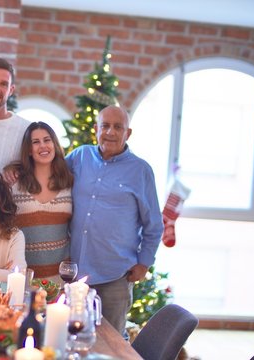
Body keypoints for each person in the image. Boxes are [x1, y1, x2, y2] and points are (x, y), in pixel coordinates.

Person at [65, 105, 163, 337]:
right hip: (75, 274)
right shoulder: (80, 156)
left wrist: (144, 263)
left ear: (128, 133)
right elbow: (49, 173)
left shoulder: (141, 171)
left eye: (117, 127)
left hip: (115, 277)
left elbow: (154, 224)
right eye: (105, 126)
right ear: (96, 129)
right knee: (71, 336)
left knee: (111, 342)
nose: (110, 132)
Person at [4, 122, 73, 281]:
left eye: (47, 140)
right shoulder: (14, 183)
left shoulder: (69, 183)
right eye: (36, 142)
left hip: (60, 280)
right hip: (22, 279)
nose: (43, 146)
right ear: (29, 150)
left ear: (54, 144)